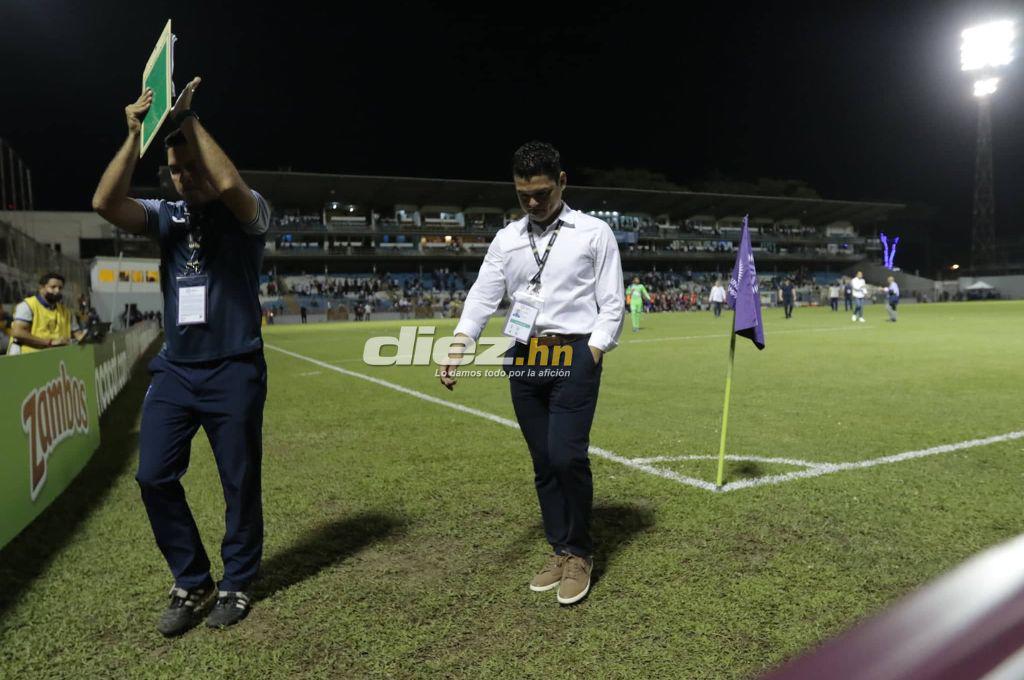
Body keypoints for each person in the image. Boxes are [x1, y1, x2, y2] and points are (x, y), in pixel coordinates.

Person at [92, 78, 270, 636]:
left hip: (234, 367)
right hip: (177, 368)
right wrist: (132, 134)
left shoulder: (248, 213)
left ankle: (238, 581)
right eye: (175, 170)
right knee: (152, 475)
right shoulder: (164, 215)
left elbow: (229, 183)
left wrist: (188, 121)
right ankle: (193, 580)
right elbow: (104, 203)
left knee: (238, 481)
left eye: (191, 167)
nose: (184, 177)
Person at [440, 141, 624, 606]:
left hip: (573, 356)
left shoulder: (594, 232)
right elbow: (483, 296)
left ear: (562, 181)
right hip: (522, 357)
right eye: (524, 194)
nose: (533, 202)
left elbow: (611, 301)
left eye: (542, 192)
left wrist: (594, 353)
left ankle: (580, 551)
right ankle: (560, 549)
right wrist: (460, 345)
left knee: (566, 456)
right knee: (543, 462)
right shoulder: (507, 238)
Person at [8, 272, 86, 355]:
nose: (57, 290)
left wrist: (90, 338)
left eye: (60, 288)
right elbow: (17, 332)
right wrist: (50, 342)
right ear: (41, 288)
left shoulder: (66, 312)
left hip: (53, 358)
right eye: (53, 287)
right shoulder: (27, 306)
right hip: (26, 359)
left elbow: (78, 335)